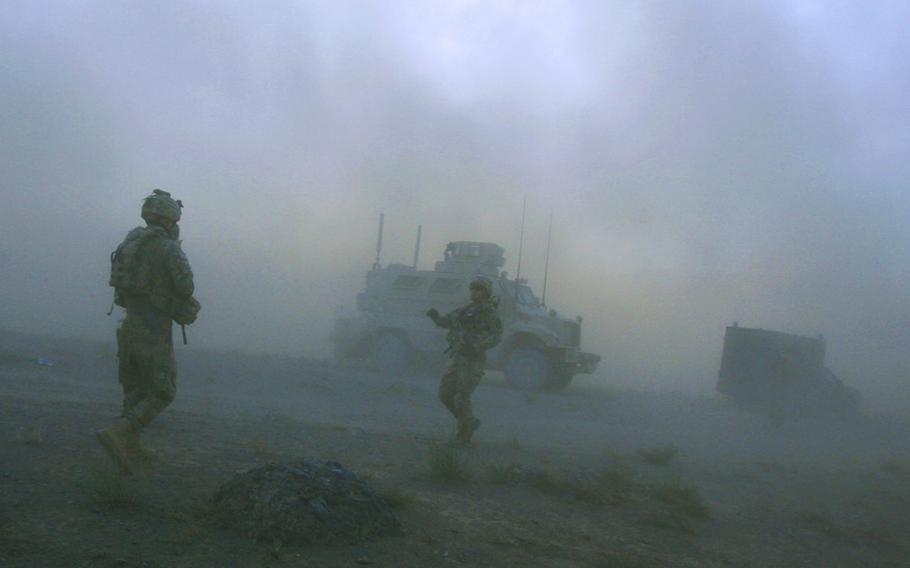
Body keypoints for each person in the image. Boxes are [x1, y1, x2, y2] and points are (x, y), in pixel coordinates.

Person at [97, 189, 200, 473]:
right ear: (170, 219)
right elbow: (186, 286)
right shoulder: (168, 247)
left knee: (135, 387)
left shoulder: (131, 241)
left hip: (129, 325)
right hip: (153, 328)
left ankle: (130, 445)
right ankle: (121, 432)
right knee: (163, 390)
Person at [426, 276, 502, 445]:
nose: (475, 292)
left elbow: (496, 336)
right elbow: (446, 322)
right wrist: (435, 317)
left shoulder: (489, 313)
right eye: (473, 288)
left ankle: (464, 435)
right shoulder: (464, 310)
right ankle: (468, 420)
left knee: (461, 396)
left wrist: (476, 347)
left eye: (479, 289)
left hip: (474, 360)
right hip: (458, 357)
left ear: (486, 293)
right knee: (444, 395)